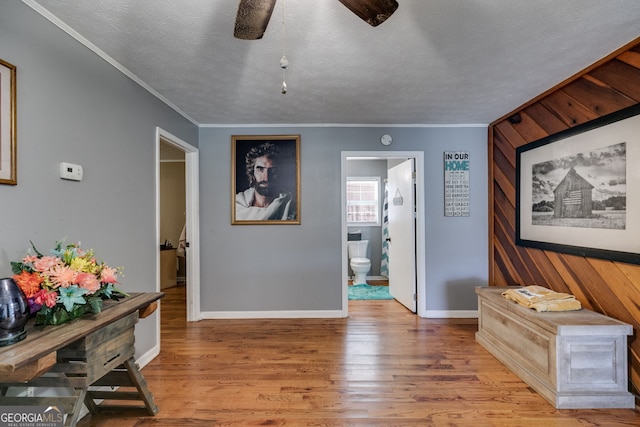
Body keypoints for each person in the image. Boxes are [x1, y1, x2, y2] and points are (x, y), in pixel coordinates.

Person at [235, 142, 295, 221]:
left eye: (273, 170)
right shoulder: (236, 205)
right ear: (252, 172)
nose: (266, 177)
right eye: (260, 169)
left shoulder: (291, 206)